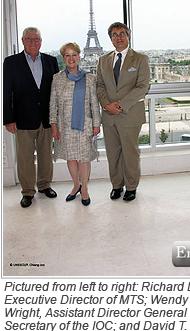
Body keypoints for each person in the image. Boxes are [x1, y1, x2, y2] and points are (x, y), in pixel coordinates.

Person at [3, 27, 59, 208]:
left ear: (41, 41)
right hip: (22, 118)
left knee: (45, 155)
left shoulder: (51, 61)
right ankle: (27, 191)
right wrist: (8, 119)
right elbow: (6, 93)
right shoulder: (11, 62)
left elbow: (56, 91)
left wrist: (56, 117)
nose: (33, 42)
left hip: (46, 118)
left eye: (36, 39)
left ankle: (44, 185)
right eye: (29, 39)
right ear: (22, 40)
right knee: (25, 157)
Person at [96, 22, 150, 202]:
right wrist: (106, 105)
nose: (118, 37)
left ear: (128, 36)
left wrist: (120, 105)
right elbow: (100, 86)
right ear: (110, 39)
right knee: (113, 153)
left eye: (122, 34)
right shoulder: (103, 60)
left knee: (130, 153)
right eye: (114, 35)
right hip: (109, 115)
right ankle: (117, 185)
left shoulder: (140, 59)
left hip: (130, 114)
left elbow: (143, 86)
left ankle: (132, 186)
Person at [50, 42, 101, 206]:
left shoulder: (89, 78)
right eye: (67, 55)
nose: (71, 58)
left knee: (84, 158)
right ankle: (75, 185)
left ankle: (84, 188)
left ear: (79, 56)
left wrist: (96, 124)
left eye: (74, 55)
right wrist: (53, 125)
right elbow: (53, 104)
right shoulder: (57, 78)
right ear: (63, 58)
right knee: (71, 158)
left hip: (85, 125)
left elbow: (95, 103)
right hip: (65, 126)